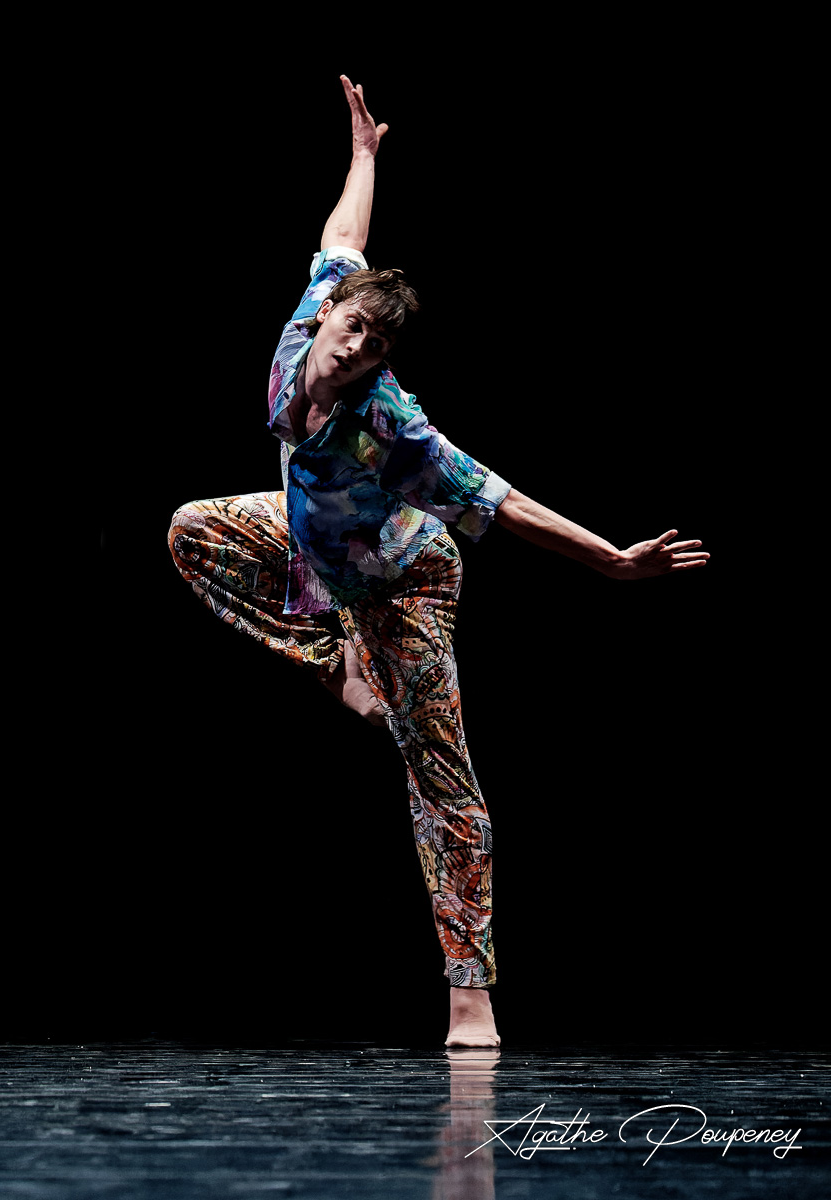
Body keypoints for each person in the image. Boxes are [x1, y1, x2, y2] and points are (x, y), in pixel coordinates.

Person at [167, 76, 707, 1048]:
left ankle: (469, 995)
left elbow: (503, 501)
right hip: (314, 549)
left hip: (404, 583)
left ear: (383, 361)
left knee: (441, 777)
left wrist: (611, 563)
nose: (355, 347)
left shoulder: (394, 428)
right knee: (192, 529)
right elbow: (344, 236)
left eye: (376, 344)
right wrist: (363, 158)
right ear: (332, 316)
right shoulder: (312, 314)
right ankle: (332, 665)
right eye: (354, 327)